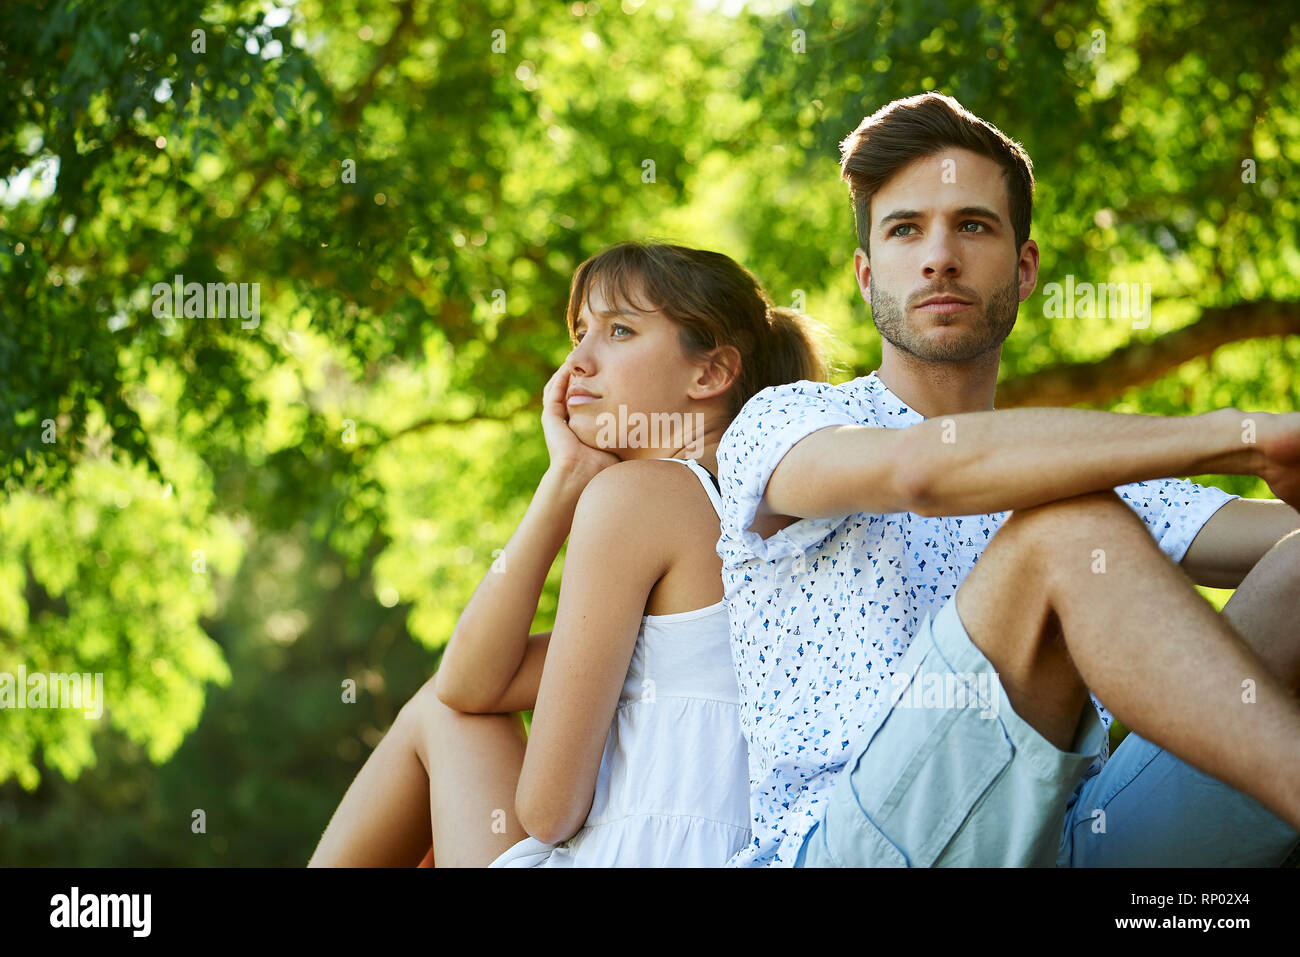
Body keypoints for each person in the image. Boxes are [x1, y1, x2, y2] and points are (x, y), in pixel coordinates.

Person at [714, 91, 1300, 868]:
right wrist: (1234, 434)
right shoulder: (787, 421)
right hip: (857, 842)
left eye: (973, 225)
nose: (938, 256)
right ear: (865, 274)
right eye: (904, 230)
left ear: (1024, 269)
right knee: (1068, 533)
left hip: (1076, 835)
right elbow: (923, 468)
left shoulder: (1072, 461)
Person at [308, 241, 829, 867]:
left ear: (709, 373)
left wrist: (574, 487)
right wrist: (567, 478)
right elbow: (471, 685)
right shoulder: (763, 513)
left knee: (436, 718)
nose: (578, 362)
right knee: (446, 710)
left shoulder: (643, 498)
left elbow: (547, 811)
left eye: (619, 331)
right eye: (580, 333)